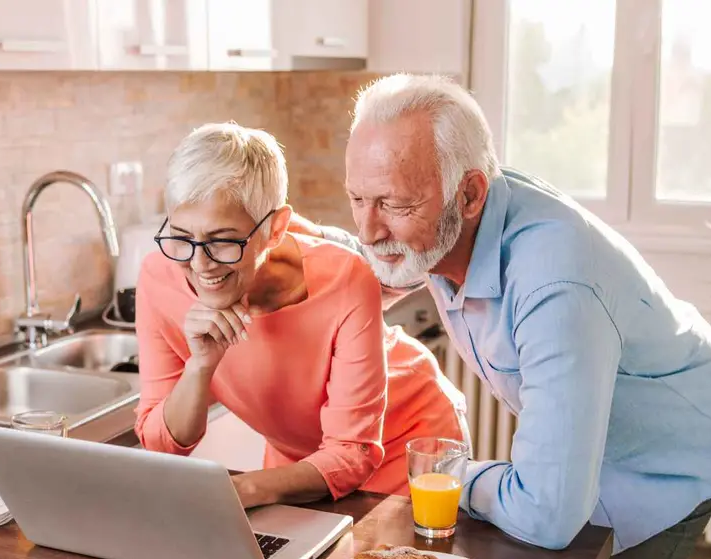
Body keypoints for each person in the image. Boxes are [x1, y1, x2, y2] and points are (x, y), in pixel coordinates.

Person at [297, 74, 711, 559]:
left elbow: (547, 513)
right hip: (590, 446)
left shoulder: (556, 285)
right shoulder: (449, 212)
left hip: (675, 452)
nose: (370, 231)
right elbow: (363, 258)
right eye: (357, 199)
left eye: (393, 206)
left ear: (471, 193)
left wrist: (454, 473)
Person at [134, 122, 469, 507]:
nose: (199, 264)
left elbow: (350, 452)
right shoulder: (158, 278)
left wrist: (243, 490)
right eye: (182, 236)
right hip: (297, 467)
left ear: (275, 229)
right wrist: (200, 366)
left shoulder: (345, 278)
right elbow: (160, 443)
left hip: (409, 447)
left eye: (222, 240)